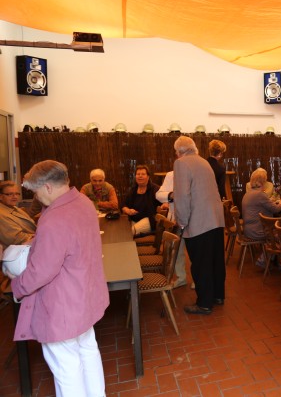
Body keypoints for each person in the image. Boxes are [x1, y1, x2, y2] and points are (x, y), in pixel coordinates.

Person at [8, 160, 109, 396]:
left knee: (66, 367)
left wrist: (16, 285)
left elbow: (41, 271)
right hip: (86, 296)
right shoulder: (83, 202)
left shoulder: (54, 218)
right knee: (88, 350)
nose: (35, 197)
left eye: (35, 191)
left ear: (48, 188)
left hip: (62, 306)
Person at [173, 136, 226, 314]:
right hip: (216, 219)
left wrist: (181, 222)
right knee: (216, 261)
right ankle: (218, 295)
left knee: (201, 263)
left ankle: (204, 303)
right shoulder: (204, 162)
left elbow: (181, 197)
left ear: (179, 151)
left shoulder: (181, 164)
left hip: (199, 222)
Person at [155, 171, 188, 288]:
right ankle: (181, 277)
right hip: (176, 219)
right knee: (177, 251)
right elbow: (158, 195)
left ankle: (198, 279)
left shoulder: (197, 173)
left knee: (195, 252)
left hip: (194, 219)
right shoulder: (171, 175)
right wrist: (171, 195)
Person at [241, 168, 281, 240]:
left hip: (249, 230)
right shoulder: (260, 194)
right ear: (263, 182)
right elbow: (276, 209)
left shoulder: (248, 193)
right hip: (258, 232)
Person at [122, 165, 161, 236]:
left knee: (129, 233)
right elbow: (124, 205)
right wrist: (128, 210)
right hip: (133, 220)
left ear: (148, 177)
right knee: (122, 231)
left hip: (149, 220)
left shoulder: (155, 189)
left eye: (143, 174)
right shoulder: (133, 190)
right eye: (138, 174)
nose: (140, 176)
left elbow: (164, 204)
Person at [0, 180, 36, 247]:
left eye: (17, 194)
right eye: (10, 194)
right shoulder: (1, 214)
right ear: (1, 196)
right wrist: (41, 236)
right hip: (20, 250)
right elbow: (17, 238)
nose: (15, 197)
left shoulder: (14, 208)